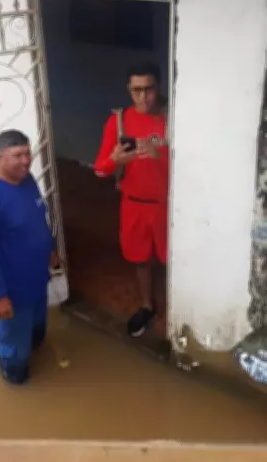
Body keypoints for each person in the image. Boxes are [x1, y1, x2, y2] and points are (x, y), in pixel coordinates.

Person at [0, 130, 60, 386]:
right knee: (15, 351)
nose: (27, 160)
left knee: (37, 335)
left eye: (28, 153)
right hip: (12, 291)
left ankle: (35, 352)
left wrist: (50, 249)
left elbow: (39, 217)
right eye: (18, 155)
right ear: (0, 158)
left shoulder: (27, 180)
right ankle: (14, 380)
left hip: (37, 280)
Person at [94, 63, 168, 338]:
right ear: (129, 90)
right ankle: (148, 305)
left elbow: (196, 166)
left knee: (172, 258)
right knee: (140, 259)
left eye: (148, 89)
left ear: (158, 87)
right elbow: (100, 169)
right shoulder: (119, 121)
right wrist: (115, 160)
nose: (143, 97)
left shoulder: (172, 118)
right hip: (134, 203)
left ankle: (179, 310)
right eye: (137, 90)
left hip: (168, 206)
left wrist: (159, 154)